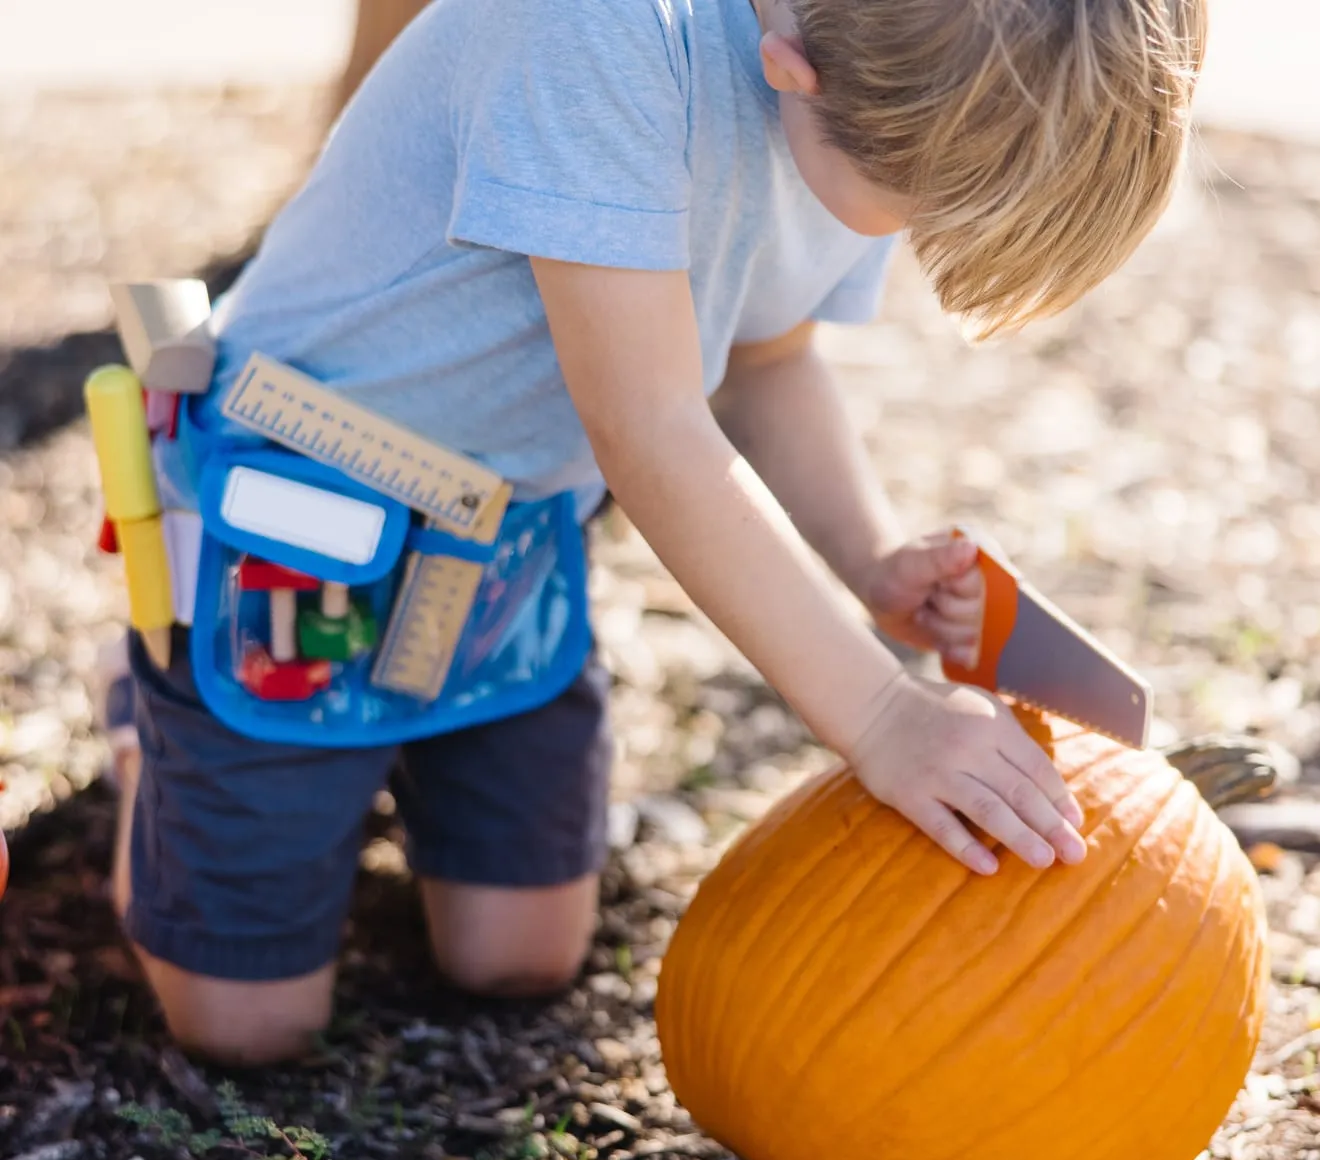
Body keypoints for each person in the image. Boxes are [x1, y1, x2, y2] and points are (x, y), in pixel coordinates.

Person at [101, 0, 1205, 1065]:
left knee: (517, 960)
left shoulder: (878, 64)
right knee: (246, 1030)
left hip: (497, 555)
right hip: (296, 525)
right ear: (791, 72)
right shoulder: (593, 34)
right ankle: (151, 724)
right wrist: (882, 717)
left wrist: (867, 559)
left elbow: (769, 363)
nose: (914, 231)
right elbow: (656, 439)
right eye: (914, 203)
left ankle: (353, 765)